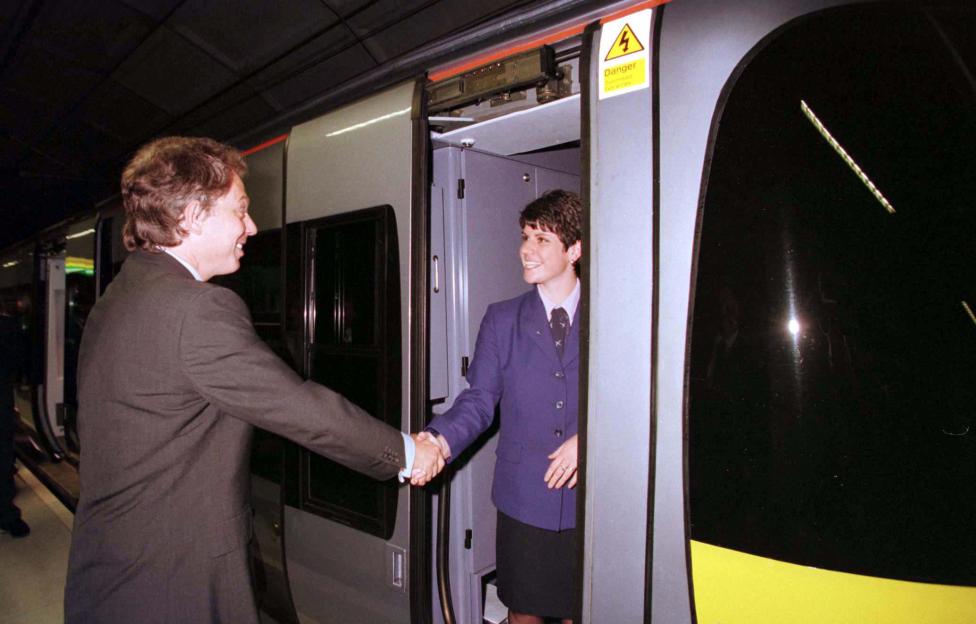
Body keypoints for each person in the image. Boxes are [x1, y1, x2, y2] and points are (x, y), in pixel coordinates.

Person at [64, 136, 444, 624]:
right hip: (173, 580)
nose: (251, 226)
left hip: (114, 564)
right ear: (193, 217)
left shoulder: (120, 296)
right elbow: (300, 408)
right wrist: (409, 453)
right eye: (240, 211)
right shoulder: (197, 308)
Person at [426, 190, 582, 624]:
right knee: (524, 609)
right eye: (525, 237)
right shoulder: (502, 318)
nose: (526, 250)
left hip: (590, 498)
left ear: (574, 250)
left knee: (580, 608)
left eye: (542, 239)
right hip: (524, 496)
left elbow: (633, 398)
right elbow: (479, 398)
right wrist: (439, 439)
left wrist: (591, 438)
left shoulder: (610, 314)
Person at [0, 303, 29, 538]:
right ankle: (7, 515)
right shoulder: (7, 325)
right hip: (2, 400)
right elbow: (18, 361)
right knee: (2, 457)